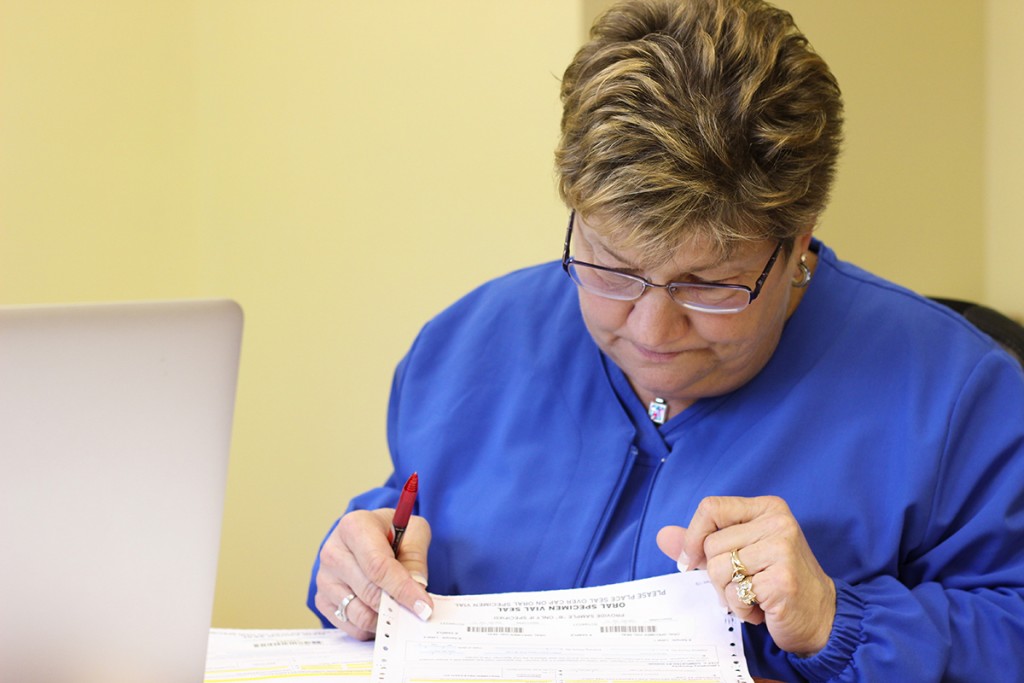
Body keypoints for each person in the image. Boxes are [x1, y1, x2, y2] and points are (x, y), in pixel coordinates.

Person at [307, 0, 1024, 680]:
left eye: (708, 285)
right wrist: (355, 575)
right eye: (612, 269)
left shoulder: (960, 399)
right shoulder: (465, 349)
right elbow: (403, 532)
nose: (649, 331)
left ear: (799, 240)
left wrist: (835, 618)